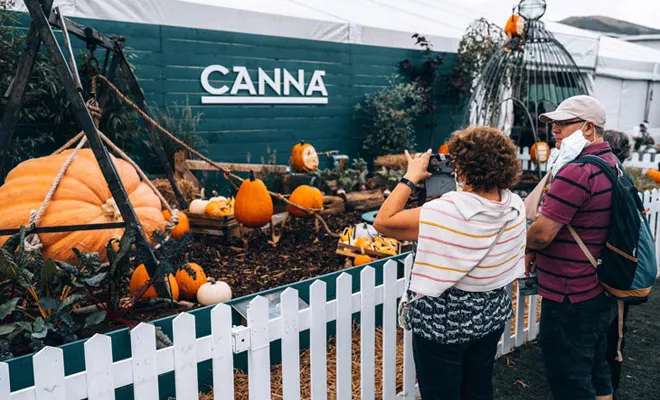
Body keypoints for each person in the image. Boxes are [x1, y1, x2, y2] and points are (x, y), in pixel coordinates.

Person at [374, 126, 526, 400]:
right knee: (478, 389)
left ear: (465, 167)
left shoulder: (443, 212)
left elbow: (383, 221)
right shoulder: (515, 204)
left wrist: (411, 176)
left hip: (441, 325)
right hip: (489, 317)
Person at [526, 95, 618, 400]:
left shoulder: (578, 171)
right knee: (596, 370)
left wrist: (520, 240)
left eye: (563, 124)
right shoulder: (610, 164)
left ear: (588, 128)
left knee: (570, 380)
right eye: (553, 125)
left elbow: (541, 234)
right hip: (600, 284)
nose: (555, 131)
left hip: (570, 292)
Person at [602, 129, 638, 399]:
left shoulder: (615, 176)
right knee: (613, 332)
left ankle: (608, 388)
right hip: (618, 266)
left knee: (612, 334)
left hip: (613, 266)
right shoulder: (623, 176)